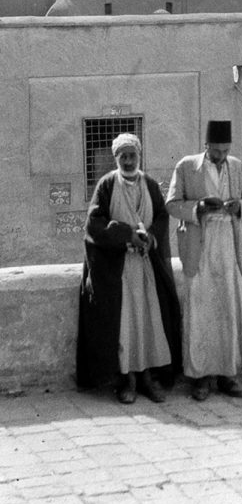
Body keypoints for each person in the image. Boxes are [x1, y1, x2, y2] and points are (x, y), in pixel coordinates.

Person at [76, 133, 181, 404]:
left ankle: (147, 378)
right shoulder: (107, 184)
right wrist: (126, 235)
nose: (128, 160)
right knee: (125, 326)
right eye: (122, 156)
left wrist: (151, 238)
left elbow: (160, 215)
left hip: (146, 267)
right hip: (119, 270)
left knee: (148, 323)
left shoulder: (149, 185)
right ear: (116, 158)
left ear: (139, 156)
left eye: (132, 155)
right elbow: (94, 224)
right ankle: (127, 381)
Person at [166, 120, 242, 400]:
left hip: (229, 243)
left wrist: (239, 206)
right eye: (216, 151)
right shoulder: (185, 167)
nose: (220, 157)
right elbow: (171, 204)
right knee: (201, 311)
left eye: (225, 151)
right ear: (206, 147)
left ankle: (227, 375)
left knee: (228, 307)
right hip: (199, 246)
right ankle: (200, 377)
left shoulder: (239, 168)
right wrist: (199, 207)